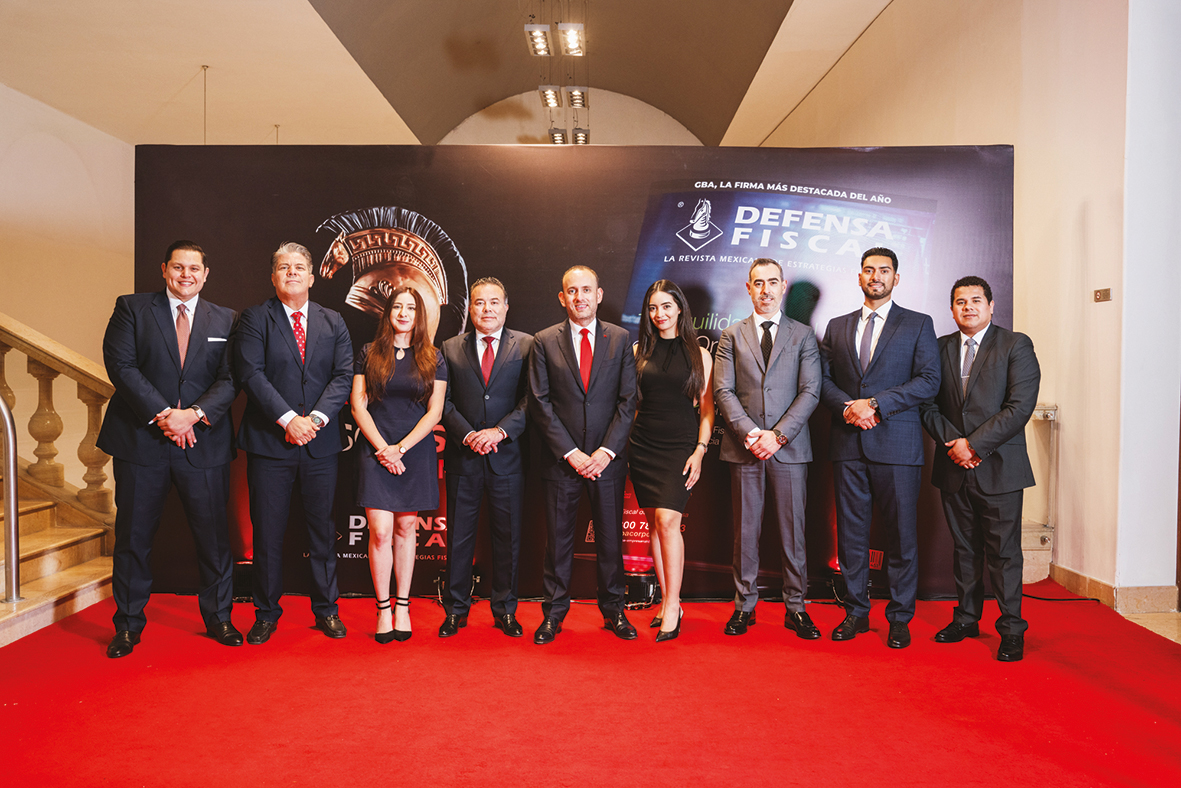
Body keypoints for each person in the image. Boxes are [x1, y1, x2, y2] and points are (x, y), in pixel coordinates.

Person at [98, 241, 239, 658]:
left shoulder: (227, 318)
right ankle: (127, 626)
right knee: (133, 539)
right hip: (141, 442)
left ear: (206, 274)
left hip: (203, 444)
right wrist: (165, 415)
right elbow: (121, 365)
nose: (186, 275)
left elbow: (232, 377)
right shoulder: (131, 308)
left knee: (214, 540)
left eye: (194, 268)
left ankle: (220, 618)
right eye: (178, 267)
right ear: (164, 270)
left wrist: (191, 415)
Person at [819, 247, 940, 648]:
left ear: (896, 278)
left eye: (884, 270)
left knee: (902, 536)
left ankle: (900, 617)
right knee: (851, 536)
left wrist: (874, 404)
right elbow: (822, 380)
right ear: (859, 277)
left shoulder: (918, 324)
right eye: (869, 270)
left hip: (898, 447)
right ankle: (856, 612)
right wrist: (848, 407)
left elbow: (928, 380)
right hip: (849, 445)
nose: (876, 276)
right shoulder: (837, 326)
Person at [235, 242, 353, 644]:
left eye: (299, 267)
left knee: (322, 531)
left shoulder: (333, 321)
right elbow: (251, 374)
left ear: (312, 277)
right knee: (267, 534)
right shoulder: (255, 318)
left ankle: (327, 610)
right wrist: (288, 420)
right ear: (273, 277)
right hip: (270, 444)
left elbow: (343, 376)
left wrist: (313, 421)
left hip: (320, 444)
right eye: (283, 267)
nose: (291, 273)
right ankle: (266, 613)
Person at [919, 276, 1040, 662]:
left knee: (1004, 553)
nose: (968, 307)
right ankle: (967, 618)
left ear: (991, 306)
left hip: (1000, 468)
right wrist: (955, 443)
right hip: (954, 467)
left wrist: (973, 445)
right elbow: (927, 405)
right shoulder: (938, 348)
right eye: (960, 301)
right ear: (951, 309)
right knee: (965, 549)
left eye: (975, 300)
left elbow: (1019, 407)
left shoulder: (1015, 344)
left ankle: (1012, 629)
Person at [528, 265, 639, 644]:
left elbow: (628, 400)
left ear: (599, 295)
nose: (580, 297)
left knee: (610, 541)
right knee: (558, 542)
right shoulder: (544, 341)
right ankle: (553, 614)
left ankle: (614, 611)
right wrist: (571, 453)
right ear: (562, 298)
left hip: (608, 461)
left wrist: (606, 451)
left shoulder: (620, 338)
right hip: (563, 462)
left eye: (586, 290)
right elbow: (540, 403)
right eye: (572, 291)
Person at [713, 259, 822, 639]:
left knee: (793, 533)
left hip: (789, 450)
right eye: (758, 283)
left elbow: (811, 391)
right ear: (748, 288)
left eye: (772, 282)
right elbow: (723, 390)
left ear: (783, 286)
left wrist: (777, 436)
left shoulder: (803, 335)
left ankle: (796, 608)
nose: (766, 290)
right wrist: (752, 434)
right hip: (744, 449)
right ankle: (744, 606)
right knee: (745, 532)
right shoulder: (731, 335)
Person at [350, 287, 447, 643]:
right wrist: (384, 450)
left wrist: (401, 449)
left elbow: (435, 412)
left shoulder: (433, 356)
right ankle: (382, 609)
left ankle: (402, 606)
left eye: (411, 308)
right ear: (388, 313)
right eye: (397, 307)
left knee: (406, 529)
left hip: (414, 451)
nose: (404, 313)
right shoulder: (369, 352)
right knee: (380, 531)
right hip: (376, 449)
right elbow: (358, 405)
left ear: (419, 315)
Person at [438, 278, 532, 638]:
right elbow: (443, 402)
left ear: (506, 307)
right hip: (464, 458)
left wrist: (499, 432)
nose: (487, 309)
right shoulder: (450, 347)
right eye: (479, 302)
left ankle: (505, 610)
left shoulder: (527, 345)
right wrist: (468, 435)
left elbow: (532, 400)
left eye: (494, 302)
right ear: (471, 308)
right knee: (459, 538)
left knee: (508, 539)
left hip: (507, 457)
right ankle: (455, 610)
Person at [629, 280, 714, 642]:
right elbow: (633, 406)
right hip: (643, 445)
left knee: (668, 521)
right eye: (652, 308)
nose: (659, 314)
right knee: (654, 524)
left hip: (680, 446)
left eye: (666, 306)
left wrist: (700, 449)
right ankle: (667, 602)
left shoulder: (700, 354)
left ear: (680, 308)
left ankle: (675, 603)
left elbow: (707, 410)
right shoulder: (638, 350)